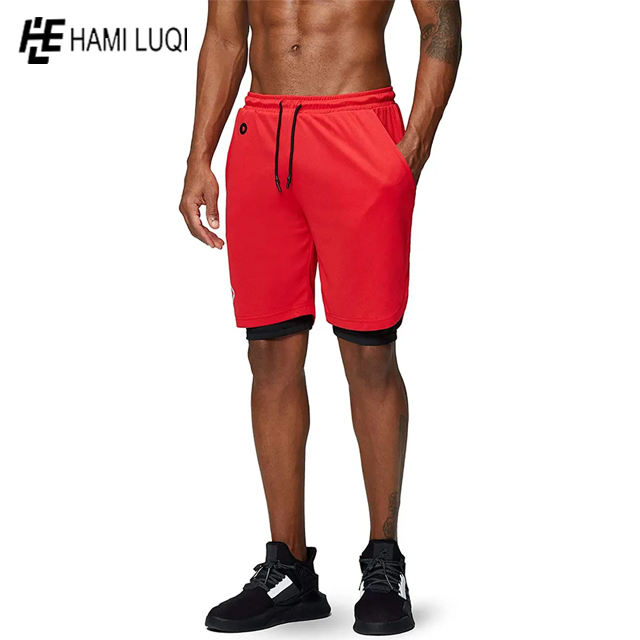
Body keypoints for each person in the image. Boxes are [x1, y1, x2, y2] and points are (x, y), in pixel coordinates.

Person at [179, 0, 461, 634]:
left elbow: (440, 21)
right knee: (269, 352)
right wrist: (200, 156)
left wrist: (413, 147)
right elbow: (224, 37)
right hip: (262, 138)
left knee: (368, 352)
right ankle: (289, 571)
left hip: (359, 129)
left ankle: (384, 563)